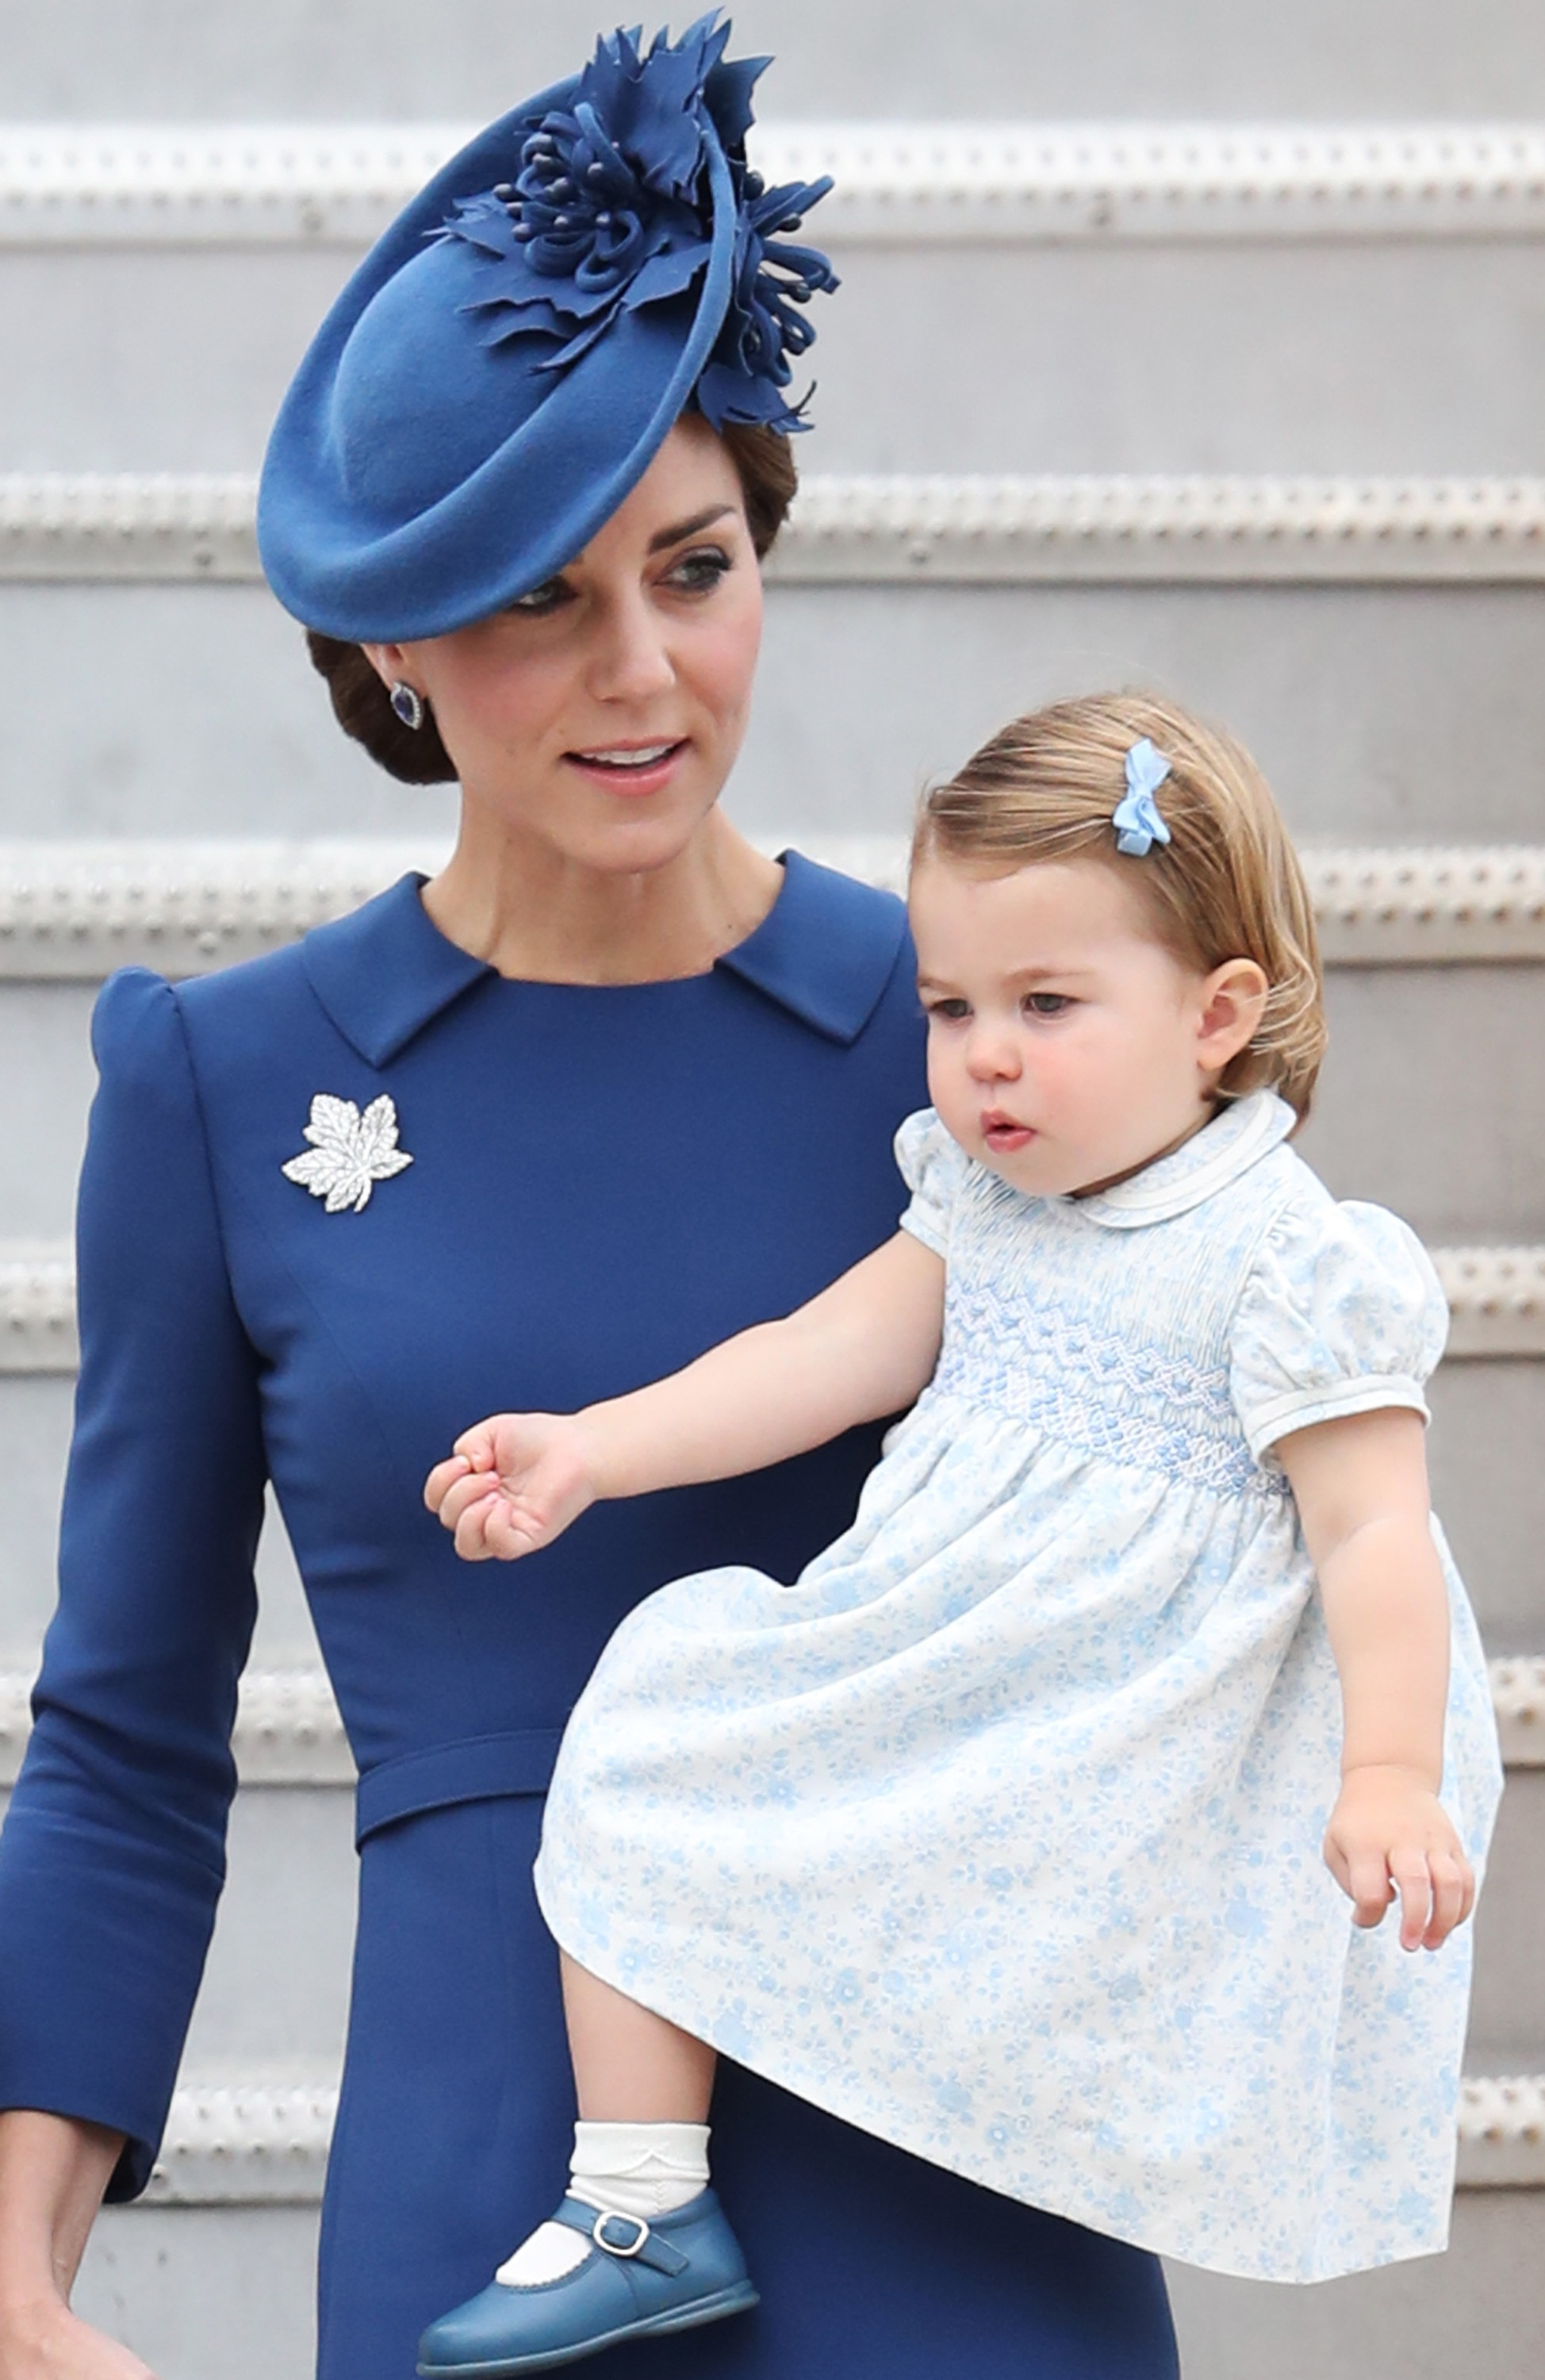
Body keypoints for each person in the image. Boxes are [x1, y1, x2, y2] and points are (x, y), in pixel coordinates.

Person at [0, 21, 1180, 2380]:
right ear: (394, 650)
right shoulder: (223, 1092)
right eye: (543, 600)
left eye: (696, 567)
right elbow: (126, 1743)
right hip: (493, 2197)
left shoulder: (980, 1045)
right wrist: (15, 2276)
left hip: (964, 2164)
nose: (642, 674)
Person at [421, 690, 1505, 2372]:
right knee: (662, 1700)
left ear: (1218, 1015)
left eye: (1046, 1003)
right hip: (949, 1660)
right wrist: (592, 1453)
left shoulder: (1284, 1257)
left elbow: (1369, 1533)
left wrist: (1383, 1773)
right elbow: (818, 1358)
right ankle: (639, 2198)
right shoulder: (981, 1201)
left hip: (1128, 1723)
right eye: (948, 1004)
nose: (982, 1052)